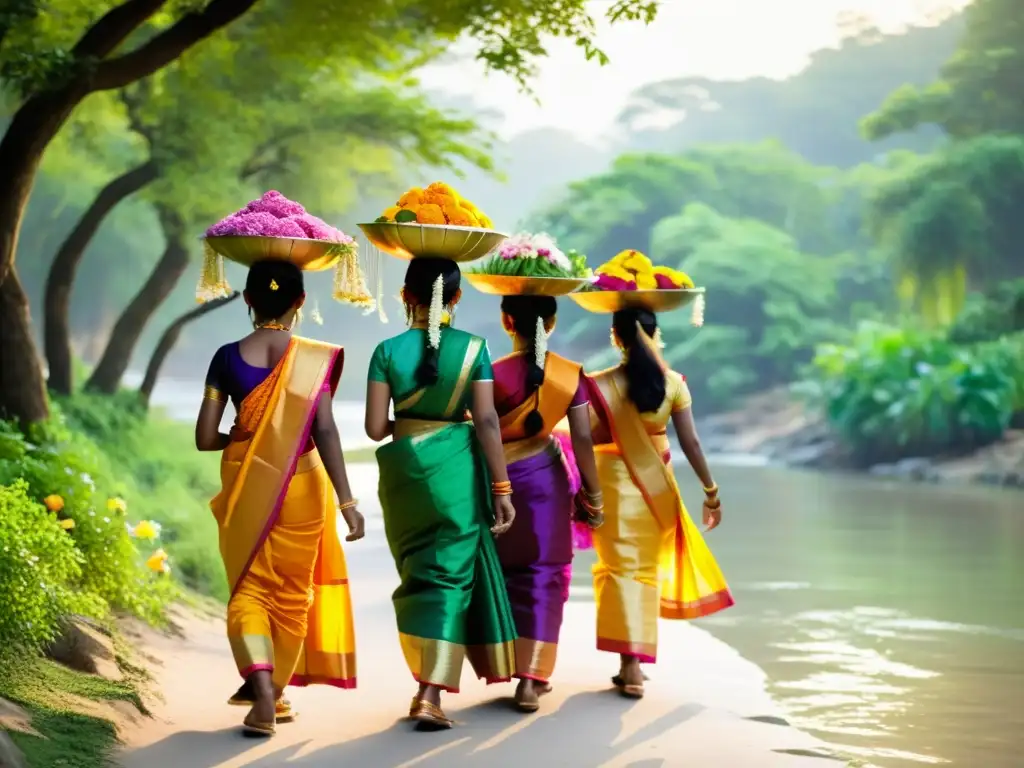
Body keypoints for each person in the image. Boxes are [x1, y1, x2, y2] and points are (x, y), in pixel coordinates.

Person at [195, 259, 365, 737]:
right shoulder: (314, 357)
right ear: (301, 301)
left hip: (247, 480)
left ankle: (262, 689)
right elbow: (325, 429)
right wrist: (348, 502)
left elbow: (206, 437)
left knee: (249, 588)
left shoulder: (226, 357)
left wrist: (246, 437)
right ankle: (277, 692)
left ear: (247, 299)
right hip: (307, 483)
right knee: (292, 595)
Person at [364, 257, 517, 730]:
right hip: (455, 474)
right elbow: (488, 421)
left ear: (406, 295)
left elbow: (374, 428)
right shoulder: (475, 349)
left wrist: (413, 429)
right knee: (449, 577)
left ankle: (425, 678)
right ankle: (430, 694)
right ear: (455, 298)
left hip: (404, 474)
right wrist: (501, 487)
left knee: (416, 572)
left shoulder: (386, 350)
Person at [584, 307, 733, 699]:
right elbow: (692, 443)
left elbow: (590, 437)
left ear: (616, 338)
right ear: (657, 333)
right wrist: (711, 492)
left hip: (611, 486)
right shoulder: (675, 384)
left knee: (618, 570)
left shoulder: (598, 384)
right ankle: (635, 665)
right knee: (645, 573)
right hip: (656, 491)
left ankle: (628, 664)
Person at [491, 295, 604, 712]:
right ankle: (531, 679)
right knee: (546, 574)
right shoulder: (571, 375)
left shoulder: (491, 371)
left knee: (503, 572)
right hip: (547, 479)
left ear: (507, 321)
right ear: (553, 323)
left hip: (498, 482)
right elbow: (585, 440)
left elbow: (479, 430)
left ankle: (503, 663)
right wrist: (592, 495)